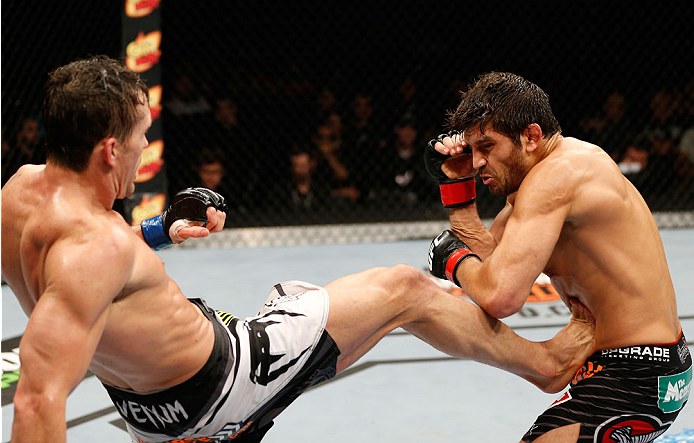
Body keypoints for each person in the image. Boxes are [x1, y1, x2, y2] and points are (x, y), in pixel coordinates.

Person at [1, 56, 595, 443]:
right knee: (405, 288)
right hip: (225, 380)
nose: (143, 149)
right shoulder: (97, 247)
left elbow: (74, 273)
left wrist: (155, 234)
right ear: (109, 150)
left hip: (152, 412)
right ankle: (547, 367)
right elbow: (34, 402)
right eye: (140, 139)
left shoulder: (20, 194)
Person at [425, 71, 691, 443]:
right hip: (627, 367)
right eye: (471, 151)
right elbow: (491, 267)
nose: (477, 162)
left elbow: (499, 295)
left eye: (487, 147)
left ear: (531, 136)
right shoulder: (538, 183)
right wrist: (456, 190)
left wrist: (451, 258)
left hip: (636, 375)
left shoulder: (559, 175)